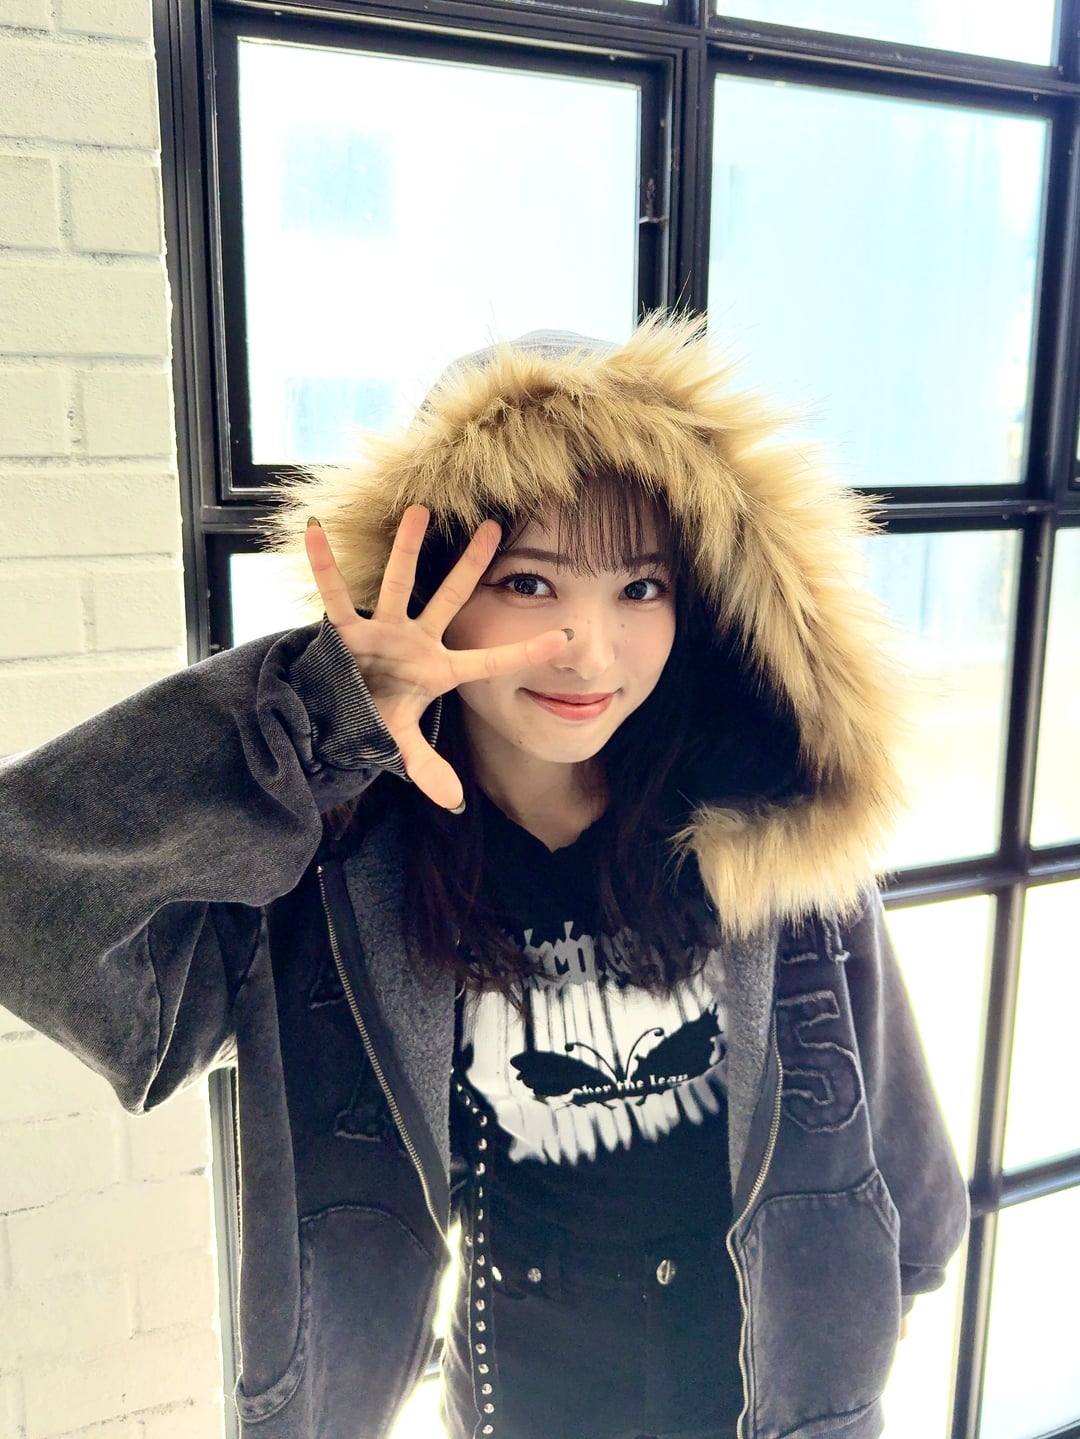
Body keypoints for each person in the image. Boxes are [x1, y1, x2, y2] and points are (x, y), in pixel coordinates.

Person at [0, 315, 968, 1439]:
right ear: (430, 589)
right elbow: (30, 903)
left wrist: (877, 1312)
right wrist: (321, 713)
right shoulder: (342, 871)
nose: (589, 649)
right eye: (529, 581)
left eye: (639, 588)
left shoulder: (764, 817)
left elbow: (890, 1120)